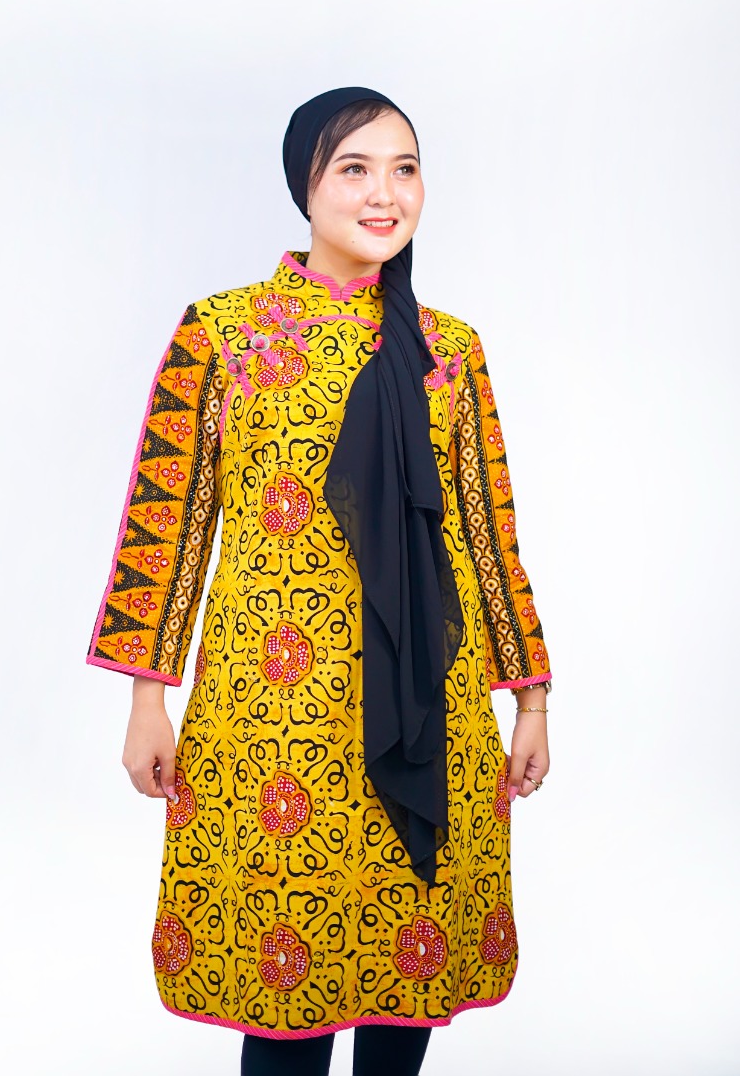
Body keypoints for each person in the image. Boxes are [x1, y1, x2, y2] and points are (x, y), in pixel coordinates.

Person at [87, 86, 551, 1076]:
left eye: (404, 169)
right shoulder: (225, 333)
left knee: (407, 971)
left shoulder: (447, 351)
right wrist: (146, 699)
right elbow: (166, 522)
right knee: (283, 993)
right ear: (304, 185)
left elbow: (487, 534)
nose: (385, 194)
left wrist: (530, 700)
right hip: (273, 721)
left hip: (427, 713)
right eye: (355, 169)